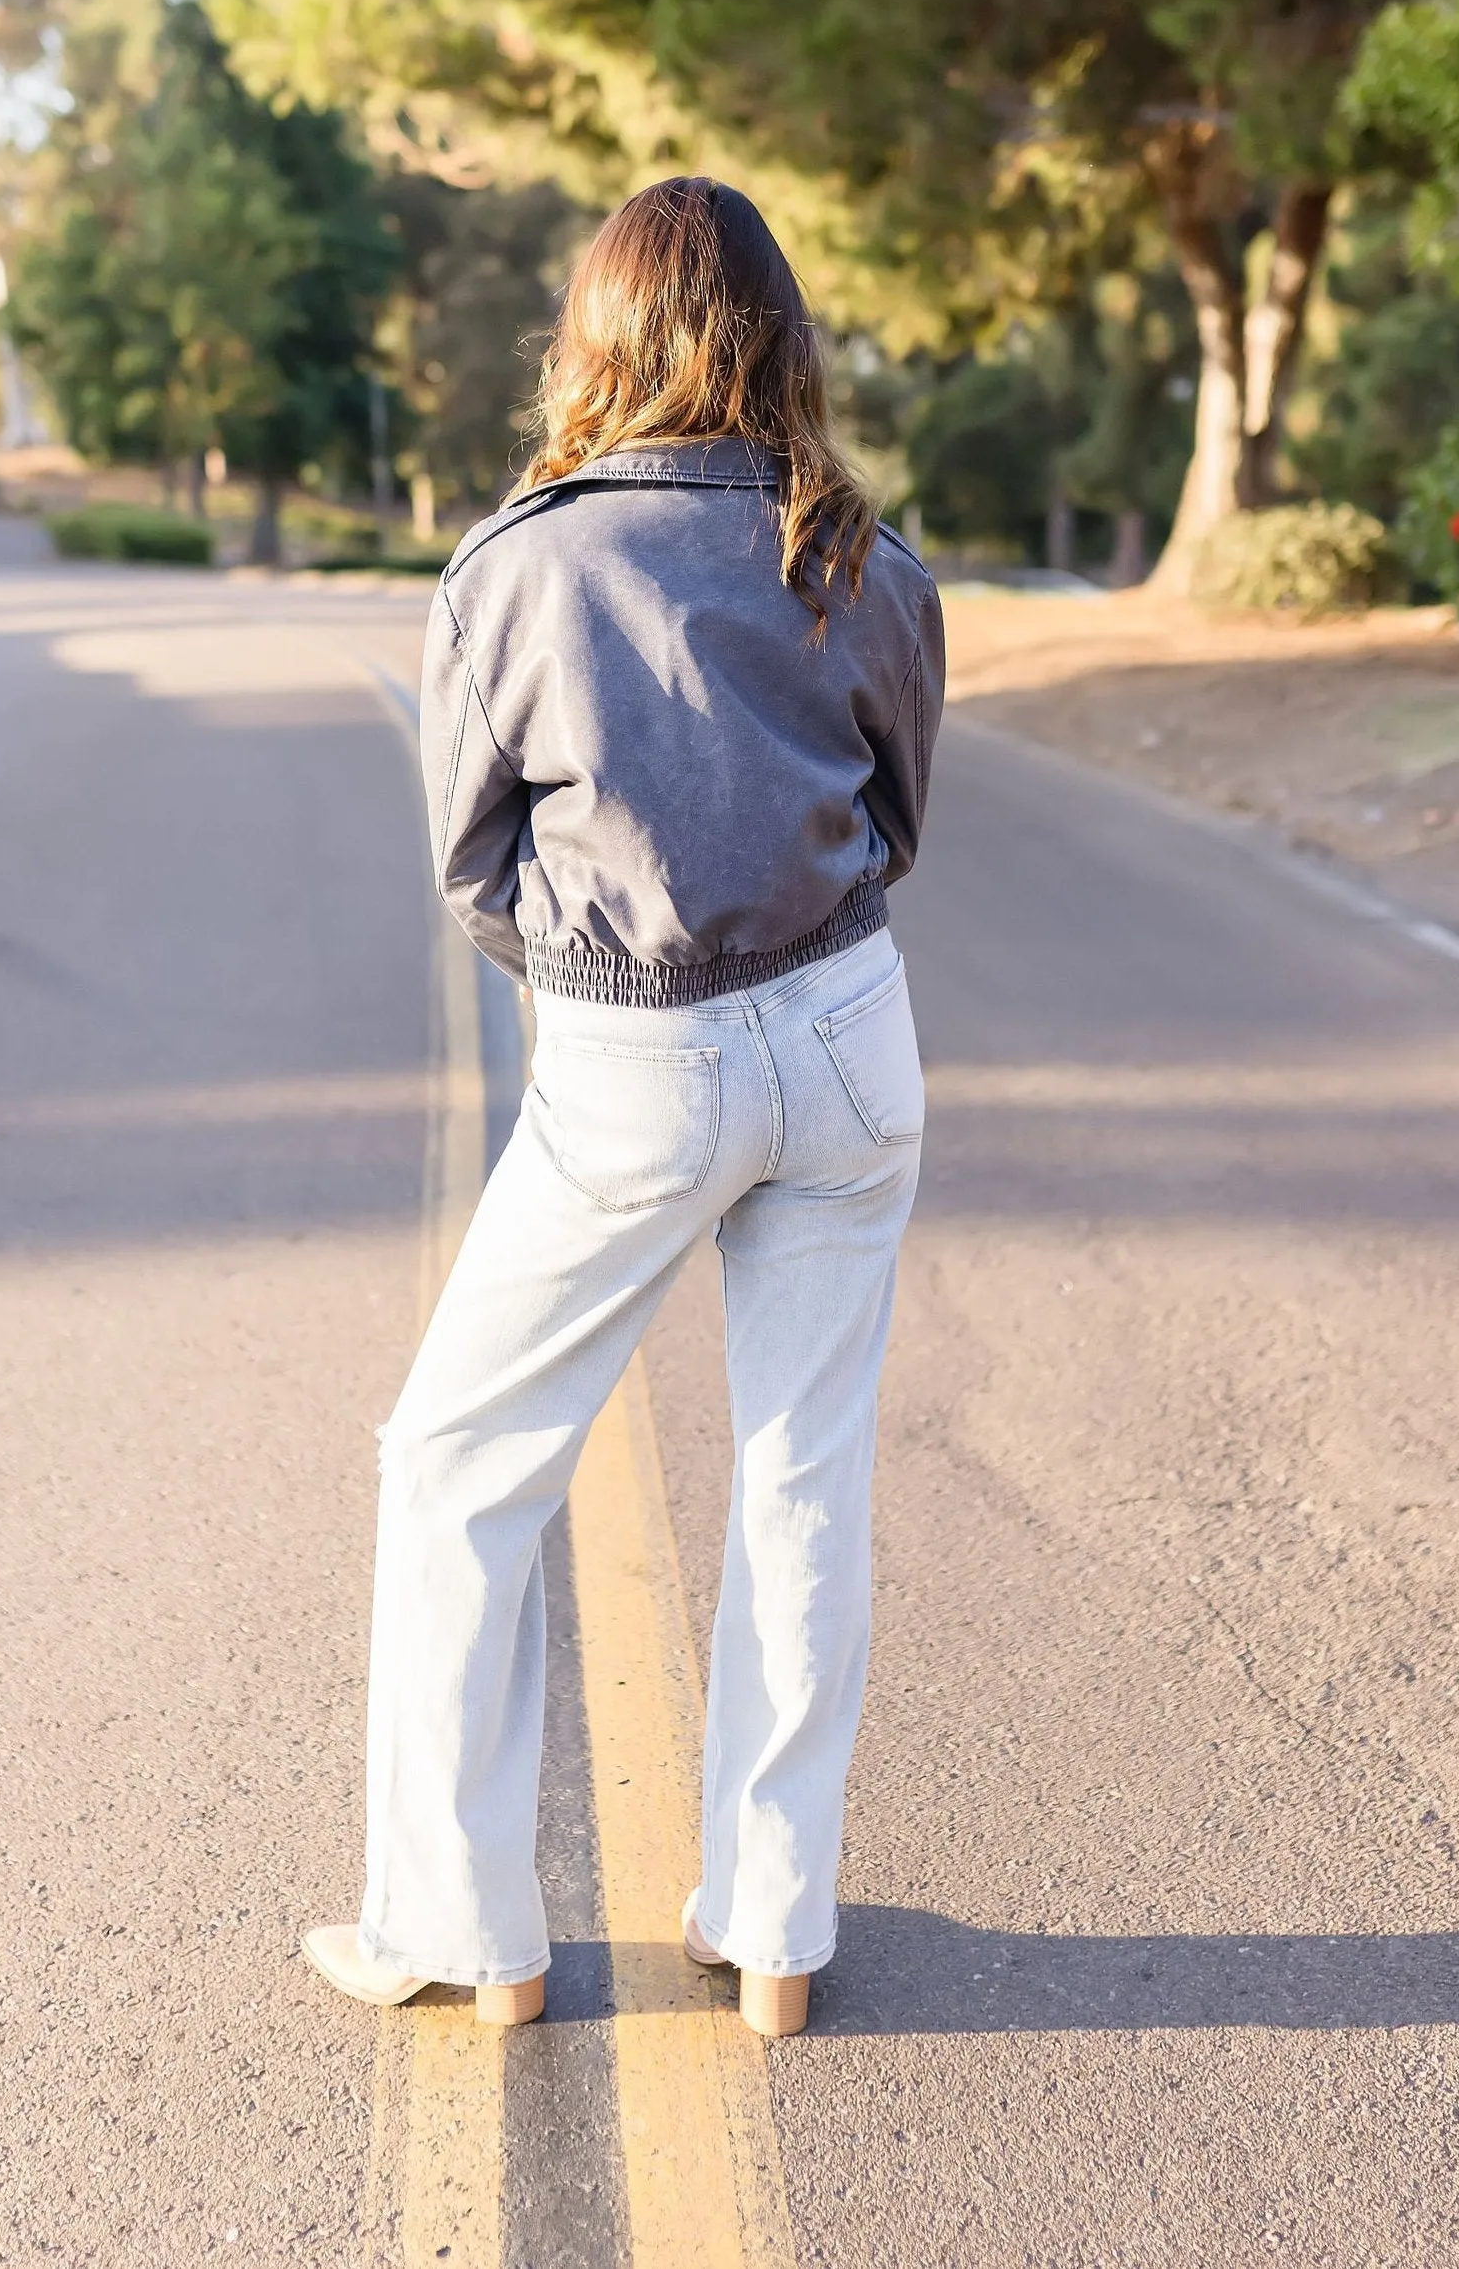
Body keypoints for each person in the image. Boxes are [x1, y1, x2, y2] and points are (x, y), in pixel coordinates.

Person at [303, 176, 944, 2039]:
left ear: (593, 336)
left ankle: (463, 1928)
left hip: (629, 1057)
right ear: (779, 339)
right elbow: (899, 816)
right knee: (802, 1469)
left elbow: (471, 869)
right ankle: (773, 1930)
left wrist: (609, 979)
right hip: (848, 1029)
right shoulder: (867, 555)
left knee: (457, 1463)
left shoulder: (519, 564)